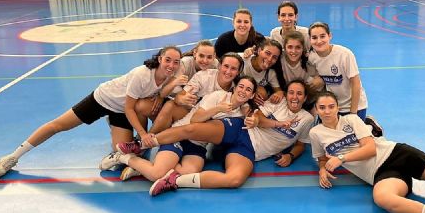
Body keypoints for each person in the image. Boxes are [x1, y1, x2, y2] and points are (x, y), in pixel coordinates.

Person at [0, 46, 183, 177]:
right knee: (58, 125)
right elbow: (129, 107)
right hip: (103, 99)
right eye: (167, 60)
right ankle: (13, 156)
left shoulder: (170, 78)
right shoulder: (141, 74)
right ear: (159, 59)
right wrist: (142, 133)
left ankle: (116, 127)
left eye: (176, 62)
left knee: (122, 153)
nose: (171, 66)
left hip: (121, 112)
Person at [147, 79, 315, 196]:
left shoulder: (307, 119)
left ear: (305, 97)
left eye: (299, 94)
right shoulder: (277, 102)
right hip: (240, 129)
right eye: (291, 92)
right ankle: (141, 144)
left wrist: (290, 156)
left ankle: (175, 181)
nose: (294, 96)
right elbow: (259, 119)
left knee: (234, 179)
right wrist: (278, 124)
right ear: (286, 94)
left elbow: (300, 144)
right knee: (192, 128)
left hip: (248, 149)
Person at [100, 76, 258, 182]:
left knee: (188, 172)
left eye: (248, 89)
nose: (243, 91)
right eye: (241, 86)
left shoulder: (242, 113)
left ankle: (140, 167)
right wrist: (218, 109)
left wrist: (254, 118)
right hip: (178, 135)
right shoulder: (218, 96)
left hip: (198, 144)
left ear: (251, 95)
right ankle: (122, 157)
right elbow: (196, 120)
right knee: (157, 174)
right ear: (235, 87)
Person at [140, 52, 244, 138]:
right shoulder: (203, 76)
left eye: (233, 68)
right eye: (226, 66)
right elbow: (179, 98)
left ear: (238, 72)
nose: (228, 71)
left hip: (214, 124)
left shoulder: (240, 88)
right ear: (219, 66)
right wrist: (183, 99)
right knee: (169, 105)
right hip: (195, 115)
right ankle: (146, 138)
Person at [308, 21, 368, 119]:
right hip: (332, 107)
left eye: (322, 36)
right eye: (314, 37)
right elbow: (317, 76)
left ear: (330, 36)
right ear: (310, 39)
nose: (319, 41)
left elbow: (356, 83)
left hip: (355, 106)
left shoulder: (345, 54)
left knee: (355, 133)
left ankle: (370, 125)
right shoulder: (312, 58)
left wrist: (353, 113)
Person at [279, 31, 324, 99]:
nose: (293, 51)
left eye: (298, 47)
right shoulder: (278, 59)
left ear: (303, 49)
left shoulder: (310, 62)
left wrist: (322, 80)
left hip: (307, 98)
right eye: (290, 47)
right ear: (284, 48)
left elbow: (319, 84)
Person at [241, 38, 284, 106]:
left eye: (274, 57)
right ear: (259, 50)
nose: (270, 59)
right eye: (267, 53)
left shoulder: (271, 73)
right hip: (234, 92)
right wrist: (250, 93)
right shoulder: (242, 60)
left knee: (262, 93)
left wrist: (279, 93)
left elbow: (278, 91)